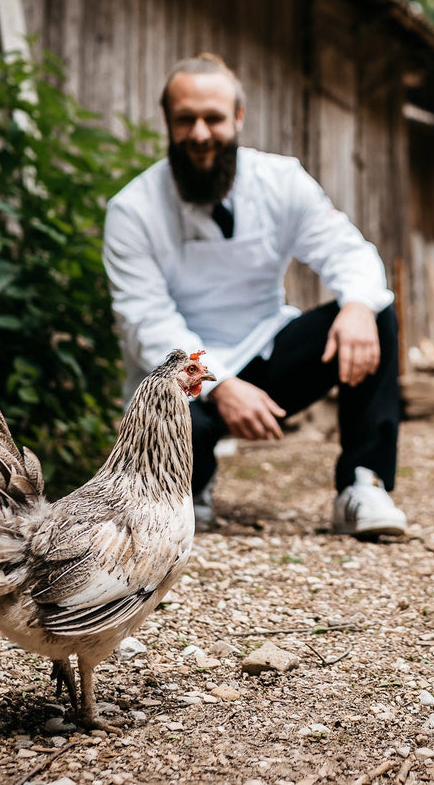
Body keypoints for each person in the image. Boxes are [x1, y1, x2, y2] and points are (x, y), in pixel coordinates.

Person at [102, 53, 406, 538]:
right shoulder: (132, 210)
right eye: (186, 119)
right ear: (167, 121)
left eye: (214, 118)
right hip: (179, 377)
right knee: (176, 430)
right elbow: (147, 322)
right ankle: (184, 489)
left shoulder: (282, 182)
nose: (200, 134)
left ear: (238, 118)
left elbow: (349, 253)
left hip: (267, 353)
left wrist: (356, 306)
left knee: (377, 311)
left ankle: (363, 484)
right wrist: (218, 384)